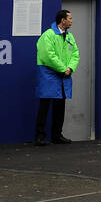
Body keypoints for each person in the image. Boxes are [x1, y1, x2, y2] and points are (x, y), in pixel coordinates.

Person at [34, 9, 79, 145]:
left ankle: (57, 135)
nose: (72, 21)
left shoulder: (70, 37)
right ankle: (39, 136)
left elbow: (75, 54)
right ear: (62, 20)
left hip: (63, 76)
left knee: (60, 107)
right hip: (49, 75)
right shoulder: (48, 35)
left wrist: (70, 68)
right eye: (70, 18)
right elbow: (47, 55)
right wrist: (62, 68)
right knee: (45, 106)